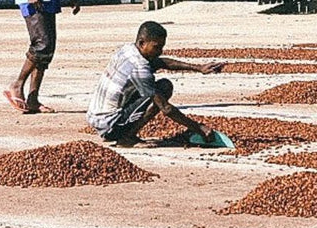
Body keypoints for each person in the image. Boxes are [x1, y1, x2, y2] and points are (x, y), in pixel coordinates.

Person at [87, 21, 223, 146]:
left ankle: (123, 131)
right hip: (110, 125)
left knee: (160, 85)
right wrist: (199, 128)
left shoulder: (128, 49)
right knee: (163, 89)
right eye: (157, 47)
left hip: (97, 118)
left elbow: (160, 62)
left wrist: (198, 68)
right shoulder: (140, 68)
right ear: (142, 43)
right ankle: (126, 138)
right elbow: (165, 108)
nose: (160, 52)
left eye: (162, 47)